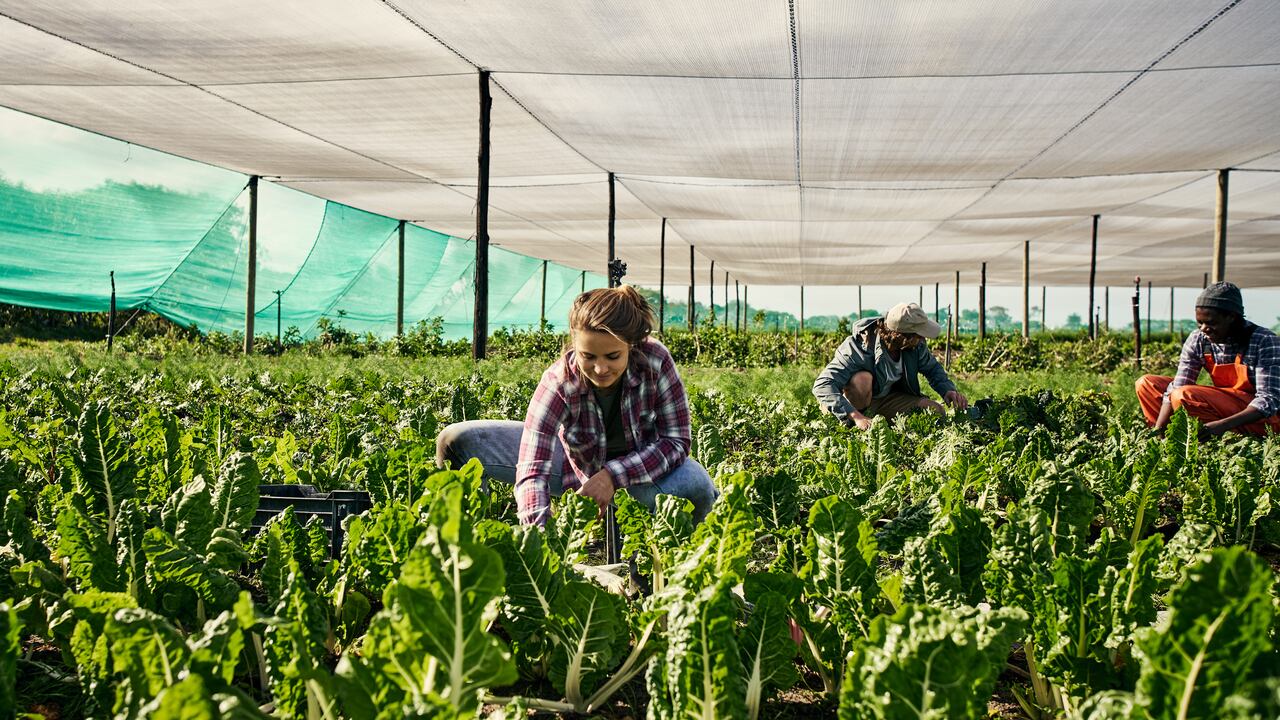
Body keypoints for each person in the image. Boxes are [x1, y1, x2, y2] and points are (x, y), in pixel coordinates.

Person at [435, 285, 718, 526]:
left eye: (612, 356)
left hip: (641, 470)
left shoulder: (656, 360)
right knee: (457, 441)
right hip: (576, 465)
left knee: (696, 488)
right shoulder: (559, 382)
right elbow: (533, 469)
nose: (600, 368)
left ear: (632, 345)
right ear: (574, 344)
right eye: (588, 356)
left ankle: (649, 574)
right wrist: (537, 543)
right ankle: (465, 557)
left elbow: (676, 441)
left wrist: (612, 476)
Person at [1135, 281, 1279, 439]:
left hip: (1262, 419)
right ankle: (1170, 439)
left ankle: (1215, 441)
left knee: (1183, 395)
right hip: (1225, 404)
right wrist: (1157, 430)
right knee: (1147, 384)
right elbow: (1180, 383)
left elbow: (1269, 400)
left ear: (1231, 317)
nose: (1203, 329)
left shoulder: (1263, 340)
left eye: (1211, 323)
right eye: (1200, 323)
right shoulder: (1199, 339)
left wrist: (1223, 425)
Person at [813, 302, 968, 429]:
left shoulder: (915, 346)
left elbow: (933, 369)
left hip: (885, 399)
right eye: (918, 336)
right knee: (862, 379)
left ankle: (877, 423)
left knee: (935, 411)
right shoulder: (858, 347)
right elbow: (823, 385)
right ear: (902, 336)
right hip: (854, 404)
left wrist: (948, 390)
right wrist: (856, 416)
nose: (923, 340)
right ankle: (852, 425)